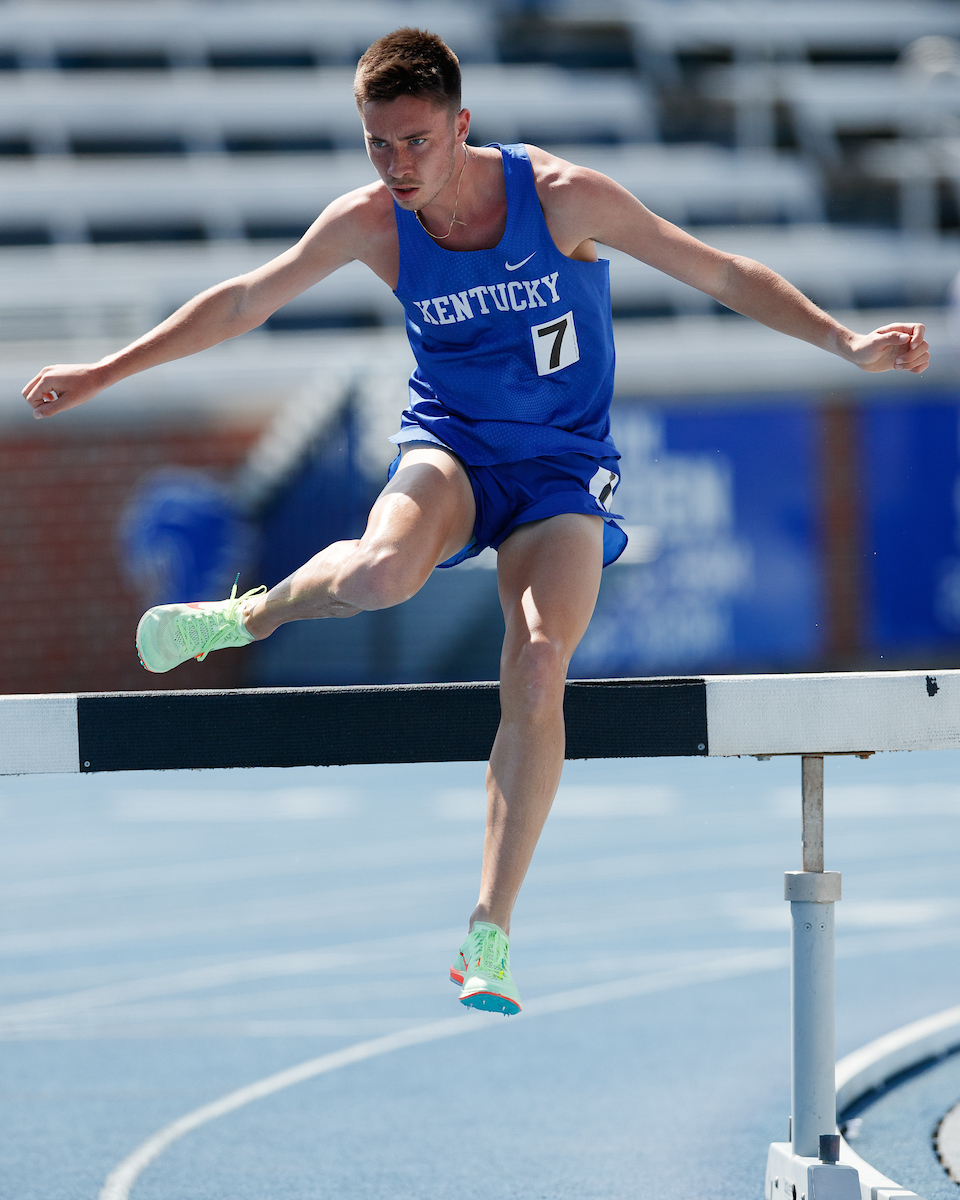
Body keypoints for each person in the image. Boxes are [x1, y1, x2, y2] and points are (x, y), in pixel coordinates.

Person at [22, 29, 929, 1017]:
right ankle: (247, 617)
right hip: (449, 451)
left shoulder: (564, 197)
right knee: (377, 576)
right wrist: (103, 371)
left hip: (561, 475)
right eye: (378, 144)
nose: (398, 165)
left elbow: (715, 271)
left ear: (462, 125)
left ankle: (488, 930)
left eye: (415, 140)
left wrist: (847, 342)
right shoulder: (374, 222)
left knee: (540, 665)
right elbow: (245, 300)